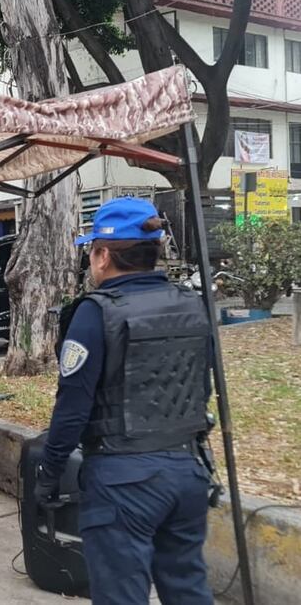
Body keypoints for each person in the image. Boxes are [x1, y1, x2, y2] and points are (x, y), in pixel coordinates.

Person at [35, 197, 214, 603]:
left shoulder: (95, 313)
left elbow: (72, 408)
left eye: (90, 252)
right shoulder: (191, 303)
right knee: (188, 589)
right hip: (187, 470)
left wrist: (49, 473)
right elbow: (202, 385)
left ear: (102, 255)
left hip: (123, 481)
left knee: (121, 595)